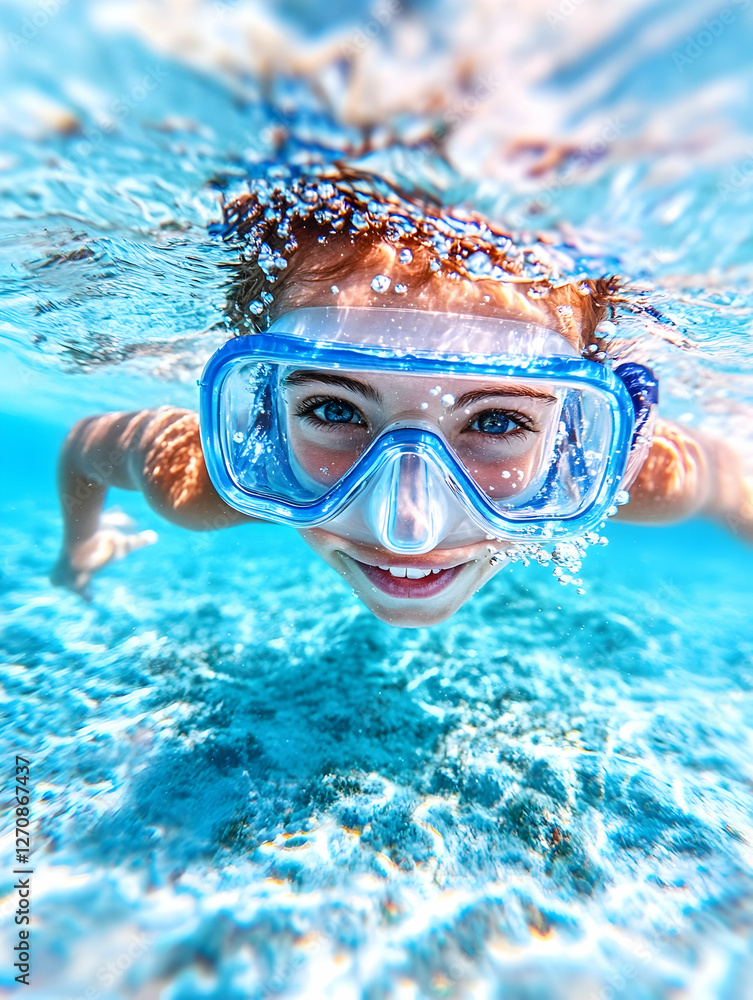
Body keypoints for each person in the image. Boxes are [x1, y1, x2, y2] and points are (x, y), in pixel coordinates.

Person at [50, 167, 753, 627]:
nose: (403, 527)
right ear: (263, 417)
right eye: (333, 410)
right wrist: (75, 549)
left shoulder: (656, 479)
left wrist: (76, 548)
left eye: (499, 420)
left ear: (577, 440)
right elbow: (86, 445)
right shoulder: (204, 484)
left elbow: (734, 485)